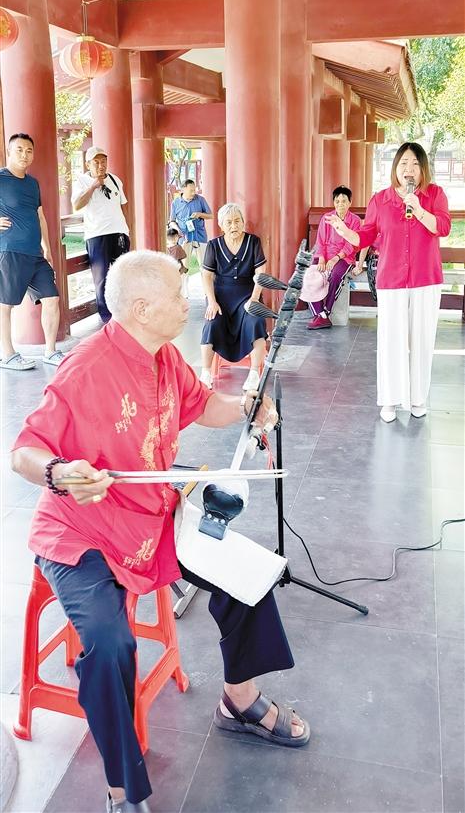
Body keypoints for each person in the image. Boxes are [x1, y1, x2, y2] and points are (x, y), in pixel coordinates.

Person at [11, 250, 310, 813]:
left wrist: (247, 406)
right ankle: (122, 788)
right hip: (83, 533)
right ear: (143, 309)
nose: (187, 301)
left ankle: (238, 700)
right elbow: (24, 451)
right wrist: (60, 473)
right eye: (177, 294)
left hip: (150, 515)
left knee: (248, 575)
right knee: (108, 644)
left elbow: (204, 406)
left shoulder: (165, 355)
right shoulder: (84, 367)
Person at [326, 142, 451, 423]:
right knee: (391, 341)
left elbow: (443, 227)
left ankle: (418, 398)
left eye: (415, 164)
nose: (409, 169)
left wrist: (418, 208)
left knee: (421, 340)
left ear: (423, 169)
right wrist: (344, 231)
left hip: (426, 280)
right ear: (395, 167)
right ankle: (390, 400)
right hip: (391, 280)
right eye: (404, 163)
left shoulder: (435, 194)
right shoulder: (380, 200)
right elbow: (365, 237)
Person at [0, 133, 63, 371]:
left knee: (51, 298)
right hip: (10, 250)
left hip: (35, 254)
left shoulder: (32, 183)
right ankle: (7, 354)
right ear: (9, 151)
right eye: (19, 150)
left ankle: (50, 351)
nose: (24, 155)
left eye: (29, 151)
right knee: (5, 304)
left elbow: (40, 216)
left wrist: (47, 248)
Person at [200, 203, 267, 391]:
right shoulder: (214, 245)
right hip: (220, 298)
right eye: (228, 222)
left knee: (255, 321)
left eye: (237, 221)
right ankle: (205, 373)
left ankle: (254, 373)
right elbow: (206, 275)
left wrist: (255, 298)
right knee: (211, 323)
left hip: (248, 295)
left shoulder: (253, 242)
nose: (233, 226)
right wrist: (212, 302)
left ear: (243, 222)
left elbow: (261, 273)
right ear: (221, 225)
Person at [72, 146, 130, 323]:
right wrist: (93, 187)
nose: (100, 165)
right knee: (101, 279)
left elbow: (123, 206)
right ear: (87, 164)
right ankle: (107, 318)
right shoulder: (81, 181)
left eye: (103, 161)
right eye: (96, 162)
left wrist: (127, 230)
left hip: (119, 233)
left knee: (123, 275)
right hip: (97, 235)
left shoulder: (115, 180)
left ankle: (123, 313)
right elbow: (77, 205)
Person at [307, 186, 362, 329]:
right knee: (307, 274)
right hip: (325, 255)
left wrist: (336, 258)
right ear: (334, 202)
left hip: (345, 257)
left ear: (350, 202)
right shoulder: (327, 218)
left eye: (344, 201)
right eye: (337, 201)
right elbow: (320, 241)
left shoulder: (355, 220)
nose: (340, 204)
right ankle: (321, 314)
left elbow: (352, 245)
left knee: (336, 275)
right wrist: (322, 258)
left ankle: (326, 310)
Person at [169, 179, 212, 269]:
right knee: (184, 266)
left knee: (205, 266)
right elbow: (172, 221)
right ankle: (184, 279)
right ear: (183, 190)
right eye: (191, 190)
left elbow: (211, 216)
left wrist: (199, 214)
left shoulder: (200, 199)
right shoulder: (175, 203)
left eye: (194, 190)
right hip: (184, 238)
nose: (193, 193)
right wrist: (177, 229)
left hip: (200, 236)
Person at [166, 226, 188, 298]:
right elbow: (184, 256)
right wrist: (184, 245)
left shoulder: (166, 248)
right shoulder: (178, 247)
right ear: (176, 237)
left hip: (168, 269)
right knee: (179, 283)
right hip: (178, 269)